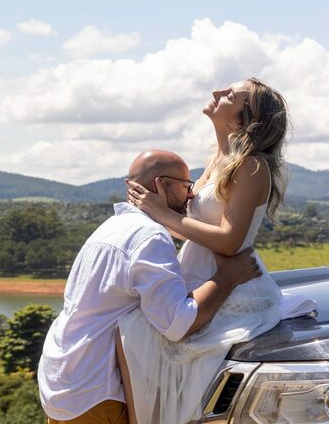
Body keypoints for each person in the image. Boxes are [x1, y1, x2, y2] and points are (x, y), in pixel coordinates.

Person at [120, 78, 315, 424]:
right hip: (196, 279)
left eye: (230, 95)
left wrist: (162, 212)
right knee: (130, 329)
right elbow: (191, 229)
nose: (216, 94)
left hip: (232, 290)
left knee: (138, 334)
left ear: (243, 120)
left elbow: (229, 241)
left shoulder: (252, 166)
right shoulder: (216, 160)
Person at [38, 149, 263, 424]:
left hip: (61, 379)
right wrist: (227, 278)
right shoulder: (149, 236)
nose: (191, 195)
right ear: (159, 185)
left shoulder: (109, 228)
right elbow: (178, 323)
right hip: (95, 392)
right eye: (185, 186)